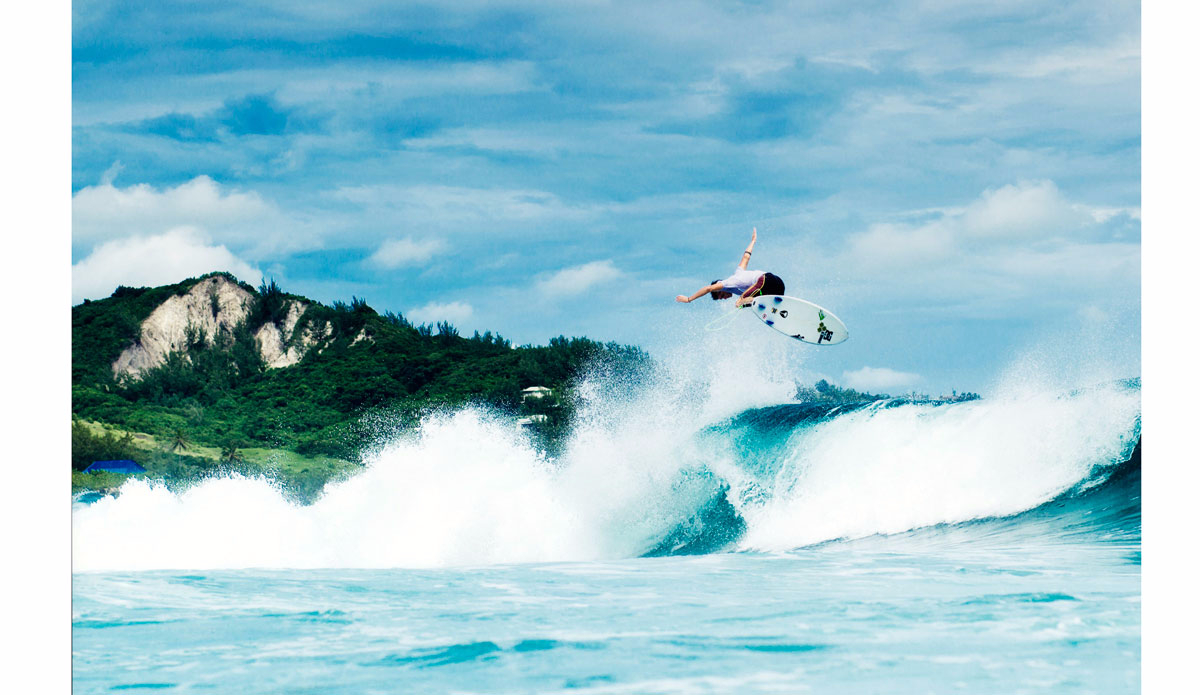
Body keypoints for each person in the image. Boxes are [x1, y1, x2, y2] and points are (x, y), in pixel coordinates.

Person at [674, 228, 785, 307]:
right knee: (747, 301)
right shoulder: (739, 273)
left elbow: (708, 289)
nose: (725, 298)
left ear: (719, 289)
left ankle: (754, 303)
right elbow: (746, 257)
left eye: (722, 295)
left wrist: (689, 299)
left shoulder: (728, 283)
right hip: (778, 284)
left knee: (739, 302)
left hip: (766, 281)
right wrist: (753, 241)